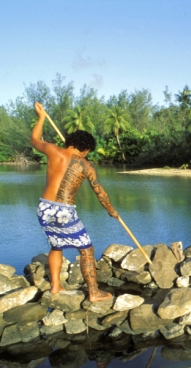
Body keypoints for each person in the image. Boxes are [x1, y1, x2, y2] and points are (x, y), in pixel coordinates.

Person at [31, 102, 117, 302]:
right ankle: (94, 293)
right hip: (64, 210)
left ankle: (55, 286)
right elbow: (100, 193)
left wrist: (41, 117)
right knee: (86, 249)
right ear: (85, 149)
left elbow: (34, 139)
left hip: (44, 208)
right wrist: (111, 211)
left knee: (56, 245)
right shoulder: (86, 166)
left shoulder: (53, 151)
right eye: (88, 151)